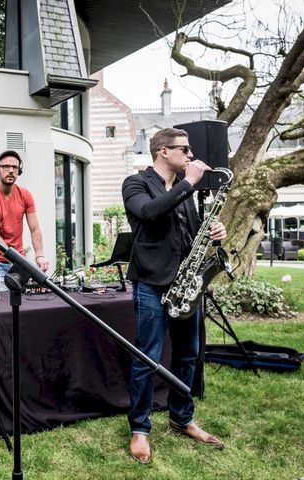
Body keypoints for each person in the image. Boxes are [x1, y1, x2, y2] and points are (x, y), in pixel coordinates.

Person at [121, 128, 226, 464]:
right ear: (163, 151)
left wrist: (214, 234)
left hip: (186, 284)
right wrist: (188, 184)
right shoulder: (135, 183)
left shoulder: (186, 193)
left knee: (188, 355)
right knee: (148, 358)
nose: (191, 155)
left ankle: (182, 418)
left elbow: (190, 235)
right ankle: (140, 428)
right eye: (185, 149)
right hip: (151, 283)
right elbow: (151, 214)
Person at [0, 150, 50, 290]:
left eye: (15, 167)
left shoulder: (25, 195)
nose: (11, 170)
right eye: (6, 166)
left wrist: (39, 255)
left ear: (19, 171)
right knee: (3, 304)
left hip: (18, 260)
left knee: (21, 304)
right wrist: (17, 261)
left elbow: (35, 229)